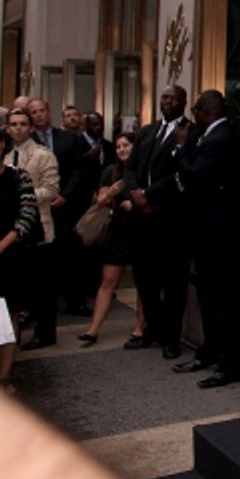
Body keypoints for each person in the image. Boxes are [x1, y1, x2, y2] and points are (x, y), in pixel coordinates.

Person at [170, 90, 240, 389]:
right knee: (208, 297)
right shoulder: (206, 136)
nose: (193, 116)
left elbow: (194, 174)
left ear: (206, 110)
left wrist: (181, 148)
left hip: (223, 236)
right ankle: (210, 351)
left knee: (225, 301)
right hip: (206, 234)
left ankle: (230, 365)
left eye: (195, 110)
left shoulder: (222, 138)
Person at [123, 85, 191, 358]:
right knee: (144, 280)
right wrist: (134, 193)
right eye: (164, 97)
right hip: (142, 223)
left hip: (170, 221)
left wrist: (149, 196)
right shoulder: (147, 131)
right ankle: (155, 328)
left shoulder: (188, 132)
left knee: (174, 283)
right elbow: (130, 168)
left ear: (183, 102)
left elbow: (182, 175)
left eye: (173, 98)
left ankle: (172, 340)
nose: (168, 101)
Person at [0, 124, 41, 394]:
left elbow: (28, 215)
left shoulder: (20, 176)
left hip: (12, 255)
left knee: (9, 315)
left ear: (2, 143)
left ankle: (5, 376)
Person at [77, 132, 143, 346]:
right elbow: (101, 201)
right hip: (117, 232)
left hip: (140, 230)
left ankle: (139, 328)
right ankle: (93, 329)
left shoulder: (142, 170)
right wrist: (113, 193)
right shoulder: (110, 171)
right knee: (107, 281)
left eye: (126, 145)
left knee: (142, 283)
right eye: (118, 146)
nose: (122, 149)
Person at [27, 98, 90, 317]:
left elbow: (78, 171)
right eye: (33, 112)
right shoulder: (26, 141)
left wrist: (65, 195)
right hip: (38, 207)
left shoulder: (67, 138)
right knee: (41, 258)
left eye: (41, 111)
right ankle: (38, 308)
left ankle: (75, 301)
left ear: (49, 112)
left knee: (70, 254)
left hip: (65, 205)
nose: (38, 115)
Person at [4, 109, 60, 351]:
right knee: (19, 287)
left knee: (43, 287)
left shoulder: (42, 155)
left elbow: (51, 190)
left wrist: (20, 196)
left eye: (23, 124)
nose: (18, 128)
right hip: (13, 231)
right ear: (7, 128)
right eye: (13, 124)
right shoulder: (4, 156)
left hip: (40, 228)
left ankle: (45, 333)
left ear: (30, 128)